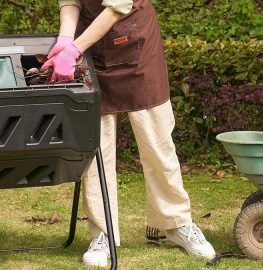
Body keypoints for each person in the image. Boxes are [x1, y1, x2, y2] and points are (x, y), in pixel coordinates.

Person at [41, 0, 216, 267]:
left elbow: (116, 7)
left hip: (138, 45)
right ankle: (102, 233)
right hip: (92, 48)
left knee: (157, 145)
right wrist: (66, 38)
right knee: (96, 148)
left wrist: (74, 48)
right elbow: (70, 2)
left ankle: (177, 224)